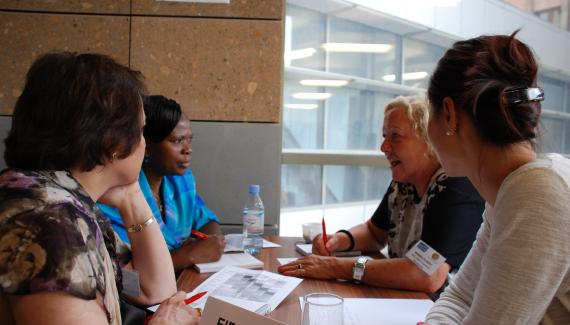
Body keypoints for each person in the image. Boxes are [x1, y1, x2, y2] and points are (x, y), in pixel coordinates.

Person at [0, 52, 199, 325]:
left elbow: (155, 290)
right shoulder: (49, 226)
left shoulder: (62, 201)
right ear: (114, 143)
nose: (143, 145)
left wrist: (132, 198)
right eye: (140, 131)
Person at [418, 32, 570, 324]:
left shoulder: (539, 193)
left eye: (429, 112)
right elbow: (461, 296)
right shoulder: (512, 189)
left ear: (449, 114)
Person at [278, 96, 485, 295]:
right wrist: (338, 241)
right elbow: (375, 233)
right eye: (385, 136)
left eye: (396, 136)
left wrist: (335, 267)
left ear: (428, 139)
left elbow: (425, 275)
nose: (383, 147)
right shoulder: (404, 183)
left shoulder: (454, 187)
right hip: (404, 300)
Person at [99, 95, 224, 272]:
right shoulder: (117, 196)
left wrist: (211, 241)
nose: (188, 149)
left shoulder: (180, 181)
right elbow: (127, 276)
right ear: (146, 146)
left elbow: (204, 218)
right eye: (177, 141)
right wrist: (187, 255)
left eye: (190, 139)